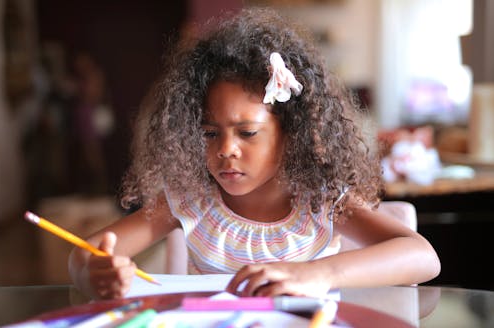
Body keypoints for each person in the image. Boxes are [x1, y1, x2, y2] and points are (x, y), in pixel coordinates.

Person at [68, 8, 440, 300]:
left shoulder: (320, 201)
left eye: (247, 133)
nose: (225, 150)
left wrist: (316, 274)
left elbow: (423, 256)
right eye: (209, 133)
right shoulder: (190, 200)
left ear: (291, 133)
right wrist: (94, 273)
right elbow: (84, 254)